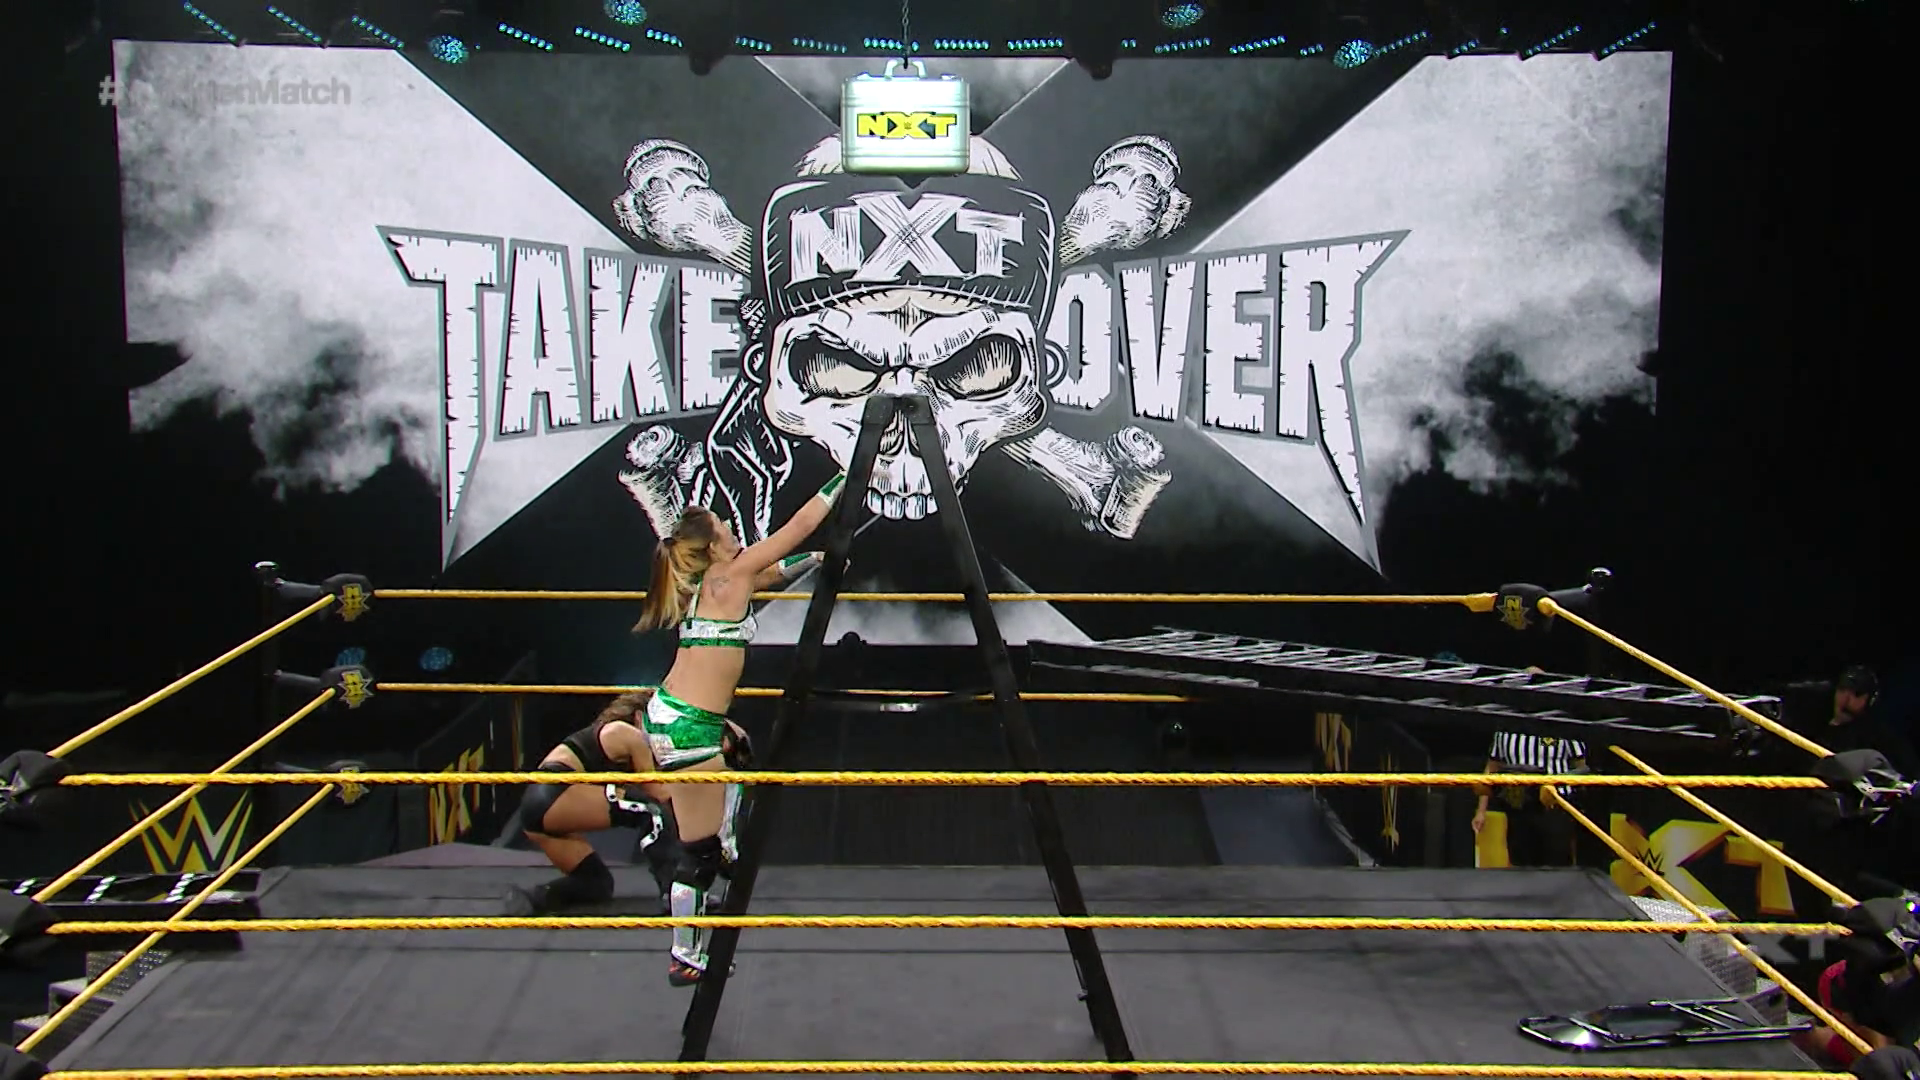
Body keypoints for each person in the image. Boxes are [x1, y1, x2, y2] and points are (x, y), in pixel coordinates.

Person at [633, 473, 845, 986]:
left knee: (737, 762)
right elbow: (797, 527)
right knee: (700, 853)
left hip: (679, 716)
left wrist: (814, 561)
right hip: (688, 728)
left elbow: (772, 572)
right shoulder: (730, 574)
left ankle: (723, 843)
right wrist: (845, 475)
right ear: (712, 546)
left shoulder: (716, 582)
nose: (732, 527)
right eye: (724, 526)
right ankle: (685, 955)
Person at [509, 689, 679, 915]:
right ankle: (676, 895)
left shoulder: (616, 740)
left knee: (595, 882)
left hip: (536, 810)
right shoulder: (628, 734)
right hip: (553, 791)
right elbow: (657, 792)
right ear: (640, 717)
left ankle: (534, 897)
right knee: (652, 811)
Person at [1472, 673, 1589, 868]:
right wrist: (1481, 811)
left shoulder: (1563, 724)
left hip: (1555, 806)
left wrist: (1563, 790)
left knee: (1557, 864)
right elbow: (1491, 768)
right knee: (1520, 864)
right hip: (1517, 806)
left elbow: (1582, 767)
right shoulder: (1505, 726)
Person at [1828, 666, 1920, 779]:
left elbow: (1910, 771)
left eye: (1857, 693)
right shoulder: (1816, 725)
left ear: (1870, 699)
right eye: (1842, 690)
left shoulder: (1881, 737)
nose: (1846, 699)